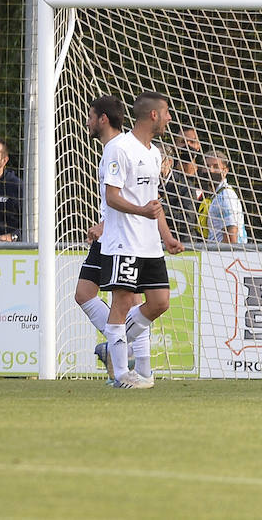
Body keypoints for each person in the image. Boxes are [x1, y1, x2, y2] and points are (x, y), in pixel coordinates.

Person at [100, 92, 185, 389]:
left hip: (150, 245)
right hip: (124, 242)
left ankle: (113, 346)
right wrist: (141, 211)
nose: (169, 118)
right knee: (122, 302)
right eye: (167, 113)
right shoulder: (119, 148)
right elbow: (112, 197)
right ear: (153, 115)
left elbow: (153, 202)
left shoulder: (154, 153)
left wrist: (167, 236)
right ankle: (122, 374)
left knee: (160, 302)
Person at [76, 96, 134, 376]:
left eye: (90, 116)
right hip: (108, 234)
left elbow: (129, 195)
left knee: (128, 300)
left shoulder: (119, 149)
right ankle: (120, 347)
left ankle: (126, 352)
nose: (87, 122)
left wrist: (104, 225)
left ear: (103, 119)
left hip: (121, 237)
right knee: (84, 294)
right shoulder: (112, 148)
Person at [200, 149, 248, 244]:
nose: (210, 170)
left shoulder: (226, 196)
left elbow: (231, 236)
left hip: (223, 252)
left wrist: (224, 252)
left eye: (215, 166)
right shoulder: (216, 195)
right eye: (207, 166)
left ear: (225, 171)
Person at [158, 143, 202, 244]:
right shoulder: (147, 184)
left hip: (182, 245)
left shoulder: (185, 186)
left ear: (168, 162)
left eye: (156, 161)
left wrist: (160, 203)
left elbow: (187, 222)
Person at [0, 136, 23, 242]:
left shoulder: (17, 187)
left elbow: (34, 225)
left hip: (7, 250)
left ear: (5, 160)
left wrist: (11, 237)